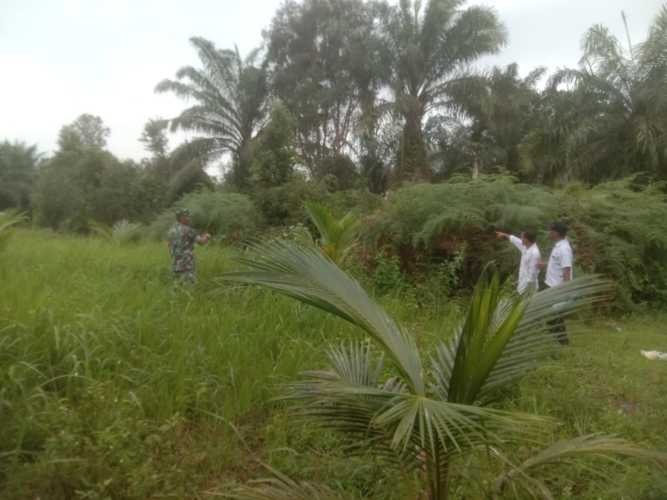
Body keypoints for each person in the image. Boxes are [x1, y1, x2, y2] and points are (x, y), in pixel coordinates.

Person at [542, 221, 574, 344]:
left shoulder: (564, 249)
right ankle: (559, 341)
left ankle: (562, 342)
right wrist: (543, 264)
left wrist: (565, 290)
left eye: (550, 231)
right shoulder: (558, 246)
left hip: (558, 288)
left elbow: (567, 269)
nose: (549, 233)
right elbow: (557, 264)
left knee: (553, 317)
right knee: (553, 317)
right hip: (551, 286)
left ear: (556, 233)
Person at [167, 208, 210, 282]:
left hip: (175, 262)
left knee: (178, 286)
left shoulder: (171, 231)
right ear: (181, 218)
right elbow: (202, 242)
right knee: (189, 286)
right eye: (186, 216)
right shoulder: (188, 230)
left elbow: (168, 245)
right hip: (187, 263)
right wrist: (207, 236)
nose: (188, 218)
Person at [495, 230, 541, 295]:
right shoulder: (525, 246)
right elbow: (515, 240)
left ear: (526, 239)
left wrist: (528, 290)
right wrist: (504, 234)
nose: (521, 239)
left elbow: (532, 274)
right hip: (522, 283)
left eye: (522, 238)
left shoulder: (534, 253)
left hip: (528, 288)